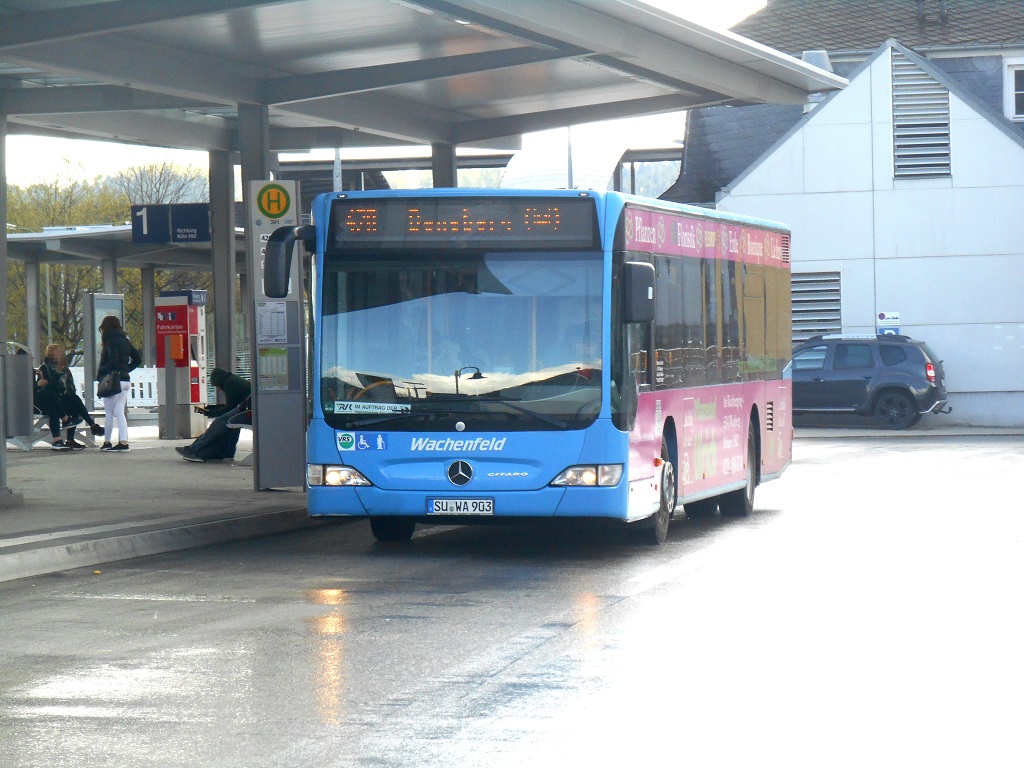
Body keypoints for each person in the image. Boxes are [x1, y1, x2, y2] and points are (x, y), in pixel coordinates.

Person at [35, 344, 105, 450]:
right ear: (52, 354)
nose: (62, 355)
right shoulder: (44, 368)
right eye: (59, 353)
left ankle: (77, 435)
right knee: (55, 408)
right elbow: (49, 387)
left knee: (75, 401)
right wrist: (58, 373)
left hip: (62, 398)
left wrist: (68, 393)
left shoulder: (65, 369)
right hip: (50, 400)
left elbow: (69, 387)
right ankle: (75, 425)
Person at [176, 368, 251, 463]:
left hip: (249, 411)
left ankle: (196, 449)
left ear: (220, 381)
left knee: (218, 424)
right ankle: (226, 454)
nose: (219, 389)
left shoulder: (230, 384)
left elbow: (229, 408)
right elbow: (231, 406)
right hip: (249, 409)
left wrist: (209, 413)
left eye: (217, 386)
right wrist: (212, 408)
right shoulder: (233, 380)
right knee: (230, 425)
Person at [96, 315, 142, 452]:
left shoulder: (110, 341)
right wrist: (126, 369)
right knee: (119, 411)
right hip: (125, 381)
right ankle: (122, 441)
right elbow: (138, 359)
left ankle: (109, 442)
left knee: (109, 412)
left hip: (113, 381)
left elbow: (112, 362)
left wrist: (102, 370)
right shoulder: (125, 341)